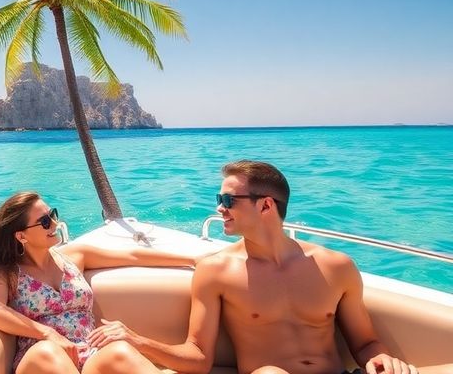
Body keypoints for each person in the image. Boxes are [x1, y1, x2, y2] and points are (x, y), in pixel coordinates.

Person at [95, 160, 453, 374]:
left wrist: (382, 360)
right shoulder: (216, 271)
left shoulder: (336, 266)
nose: (219, 207)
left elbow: (365, 342)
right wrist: (134, 338)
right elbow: (199, 358)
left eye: (227, 199)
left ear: (266, 205)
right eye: (219, 200)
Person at [0, 191, 199, 374]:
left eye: (53, 215)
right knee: (49, 352)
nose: (56, 224)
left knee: (119, 350)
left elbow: (133, 255)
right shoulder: (5, 271)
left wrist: (193, 258)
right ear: (21, 236)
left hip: (88, 354)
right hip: (40, 358)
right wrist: (47, 333)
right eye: (45, 221)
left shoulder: (73, 256)